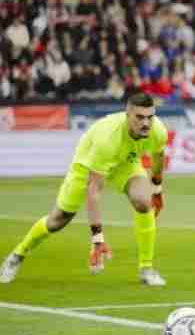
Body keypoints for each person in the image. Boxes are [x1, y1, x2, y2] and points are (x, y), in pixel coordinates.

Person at [0, 93, 168, 286]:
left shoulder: (158, 130)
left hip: (125, 163)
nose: (146, 123)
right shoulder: (107, 138)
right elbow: (94, 190)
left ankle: (146, 269)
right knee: (57, 220)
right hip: (87, 164)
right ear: (127, 115)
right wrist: (98, 239)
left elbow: (158, 156)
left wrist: (157, 190)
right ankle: (17, 255)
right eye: (139, 117)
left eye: (150, 117)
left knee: (144, 202)